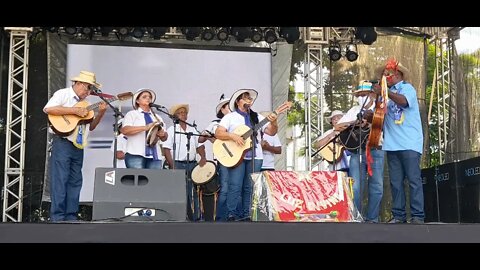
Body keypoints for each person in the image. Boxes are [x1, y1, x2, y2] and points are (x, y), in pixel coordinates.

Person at [44, 70, 107, 221]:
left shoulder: (87, 104)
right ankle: (58, 217)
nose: (88, 91)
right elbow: (48, 109)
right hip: (62, 142)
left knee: (75, 180)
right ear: (78, 83)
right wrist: (74, 110)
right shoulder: (63, 94)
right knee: (60, 179)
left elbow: (91, 127)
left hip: (78, 146)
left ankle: (71, 216)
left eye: (91, 89)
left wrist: (101, 113)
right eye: (87, 87)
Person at [373, 59, 424, 224]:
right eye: (384, 74)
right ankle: (399, 215)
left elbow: (403, 102)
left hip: (409, 143)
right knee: (395, 182)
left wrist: (385, 91)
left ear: (397, 74)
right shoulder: (385, 95)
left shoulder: (407, 88)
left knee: (413, 180)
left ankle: (417, 216)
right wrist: (369, 114)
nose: (385, 76)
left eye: (388, 73)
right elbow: (379, 118)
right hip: (392, 144)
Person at [215, 89, 278, 221]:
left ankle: (247, 214)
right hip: (237, 156)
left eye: (249, 98)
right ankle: (231, 213)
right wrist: (233, 136)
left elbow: (271, 132)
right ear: (238, 102)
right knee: (235, 185)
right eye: (245, 98)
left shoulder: (257, 117)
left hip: (256, 155)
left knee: (250, 187)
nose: (248, 100)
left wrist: (274, 122)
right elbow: (219, 133)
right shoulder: (230, 117)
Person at [336, 81, 385, 223]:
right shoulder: (354, 109)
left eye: (364, 94)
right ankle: (356, 217)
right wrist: (355, 123)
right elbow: (338, 127)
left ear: (372, 94)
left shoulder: (379, 108)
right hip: (357, 150)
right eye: (359, 95)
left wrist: (371, 119)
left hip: (376, 148)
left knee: (377, 185)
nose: (361, 97)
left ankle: (372, 218)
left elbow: (383, 124)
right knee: (356, 185)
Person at [163, 103, 207, 221]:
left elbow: (200, 146)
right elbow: (166, 149)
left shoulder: (192, 129)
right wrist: (172, 166)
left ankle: (195, 216)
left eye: (184, 113)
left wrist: (203, 157)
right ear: (175, 116)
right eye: (180, 113)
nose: (183, 115)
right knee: (179, 191)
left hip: (192, 164)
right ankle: (180, 216)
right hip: (177, 163)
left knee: (193, 190)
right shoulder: (172, 129)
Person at [198, 96, 231, 221]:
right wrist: (206, 135)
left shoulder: (237, 121)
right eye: (228, 106)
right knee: (225, 188)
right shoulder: (215, 123)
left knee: (237, 187)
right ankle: (221, 217)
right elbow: (200, 139)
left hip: (238, 158)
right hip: (223, 159)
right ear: (222, 109)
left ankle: (234, 214)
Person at [121, 88, 168, 169]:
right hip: (135, 154)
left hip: (155, 156)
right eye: (144, 97)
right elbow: (125, 130)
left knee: (154, 180)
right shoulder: (132, 114)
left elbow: (164, 138)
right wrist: (145, 127)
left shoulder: (157, 117)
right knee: (137, 180)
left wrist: (162, 134)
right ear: (137, 101)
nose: (148, 98)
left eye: (149, 97)